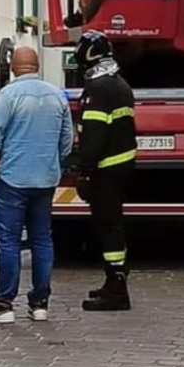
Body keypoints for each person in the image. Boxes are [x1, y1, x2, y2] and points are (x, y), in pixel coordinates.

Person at [0, 46, 73, 324]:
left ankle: (3, 305)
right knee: (42, 240)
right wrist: (52, 164)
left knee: (8, 242)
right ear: (36, 66)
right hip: (45, 180)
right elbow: (67, 141)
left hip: (11, 179)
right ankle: (40, 303)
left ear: (12, 66)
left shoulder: (7, 96)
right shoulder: (58, 96)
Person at [73, 30, 136, 312]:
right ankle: (114, 281)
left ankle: (116, 289)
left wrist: (84, 171)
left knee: (108, 227)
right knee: (114, 226)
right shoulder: (119, 84)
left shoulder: (98, 88)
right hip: (119, 166)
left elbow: (94, 136)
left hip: (105, 170)